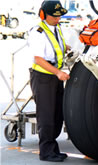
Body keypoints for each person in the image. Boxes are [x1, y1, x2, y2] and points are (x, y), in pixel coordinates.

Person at [28, 0, 70, 162]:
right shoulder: (37, 32)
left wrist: (68, 48)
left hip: (55, 76)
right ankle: (46, 152)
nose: (57, 19)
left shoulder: (56, 28)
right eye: (54, 16)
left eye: (59, 16)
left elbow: (57, 46)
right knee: (46, 117)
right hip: (43, 78)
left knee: (57, 114)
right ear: (43, 15)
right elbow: (38, 59)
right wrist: (58, 72)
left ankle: (53, 148)